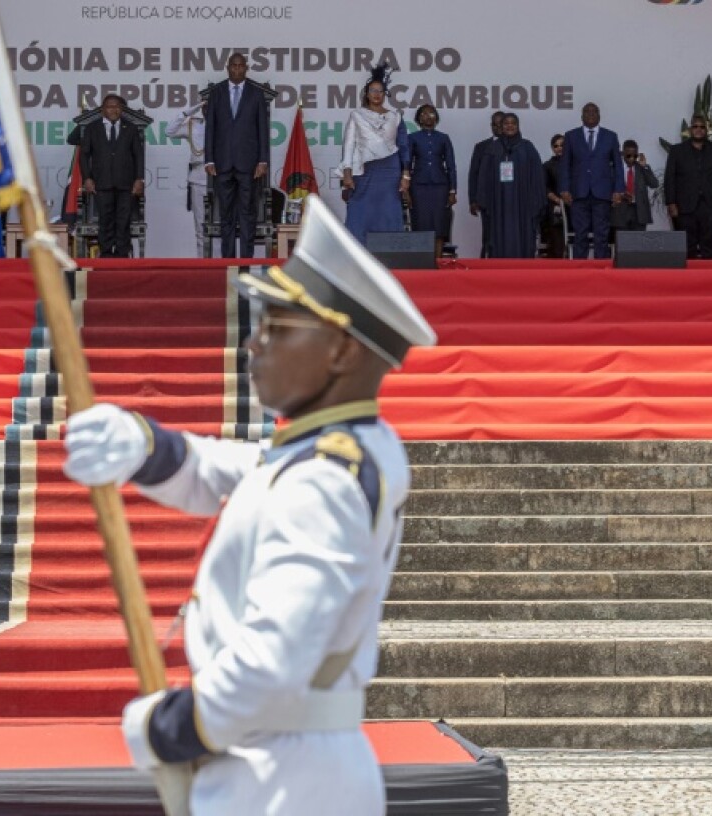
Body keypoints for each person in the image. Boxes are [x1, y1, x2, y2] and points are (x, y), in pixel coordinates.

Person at [63, 193, 435, 816]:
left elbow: (271, 662)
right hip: (283, 765)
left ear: (343, 352)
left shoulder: (324, 479)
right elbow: (231, 472)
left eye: (278, 328)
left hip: (280, 779)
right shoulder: (337, 449)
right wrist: (145, 444)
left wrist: (168, 727)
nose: (253, 345)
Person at [205, 53, 270, 259]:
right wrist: (209, 159)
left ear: (246, 68)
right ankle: (227, 260)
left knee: (247, 214)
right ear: (227, 67)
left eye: (241, 66)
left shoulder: (256, 94)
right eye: (233, 65)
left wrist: (263, 160)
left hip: (249, 164)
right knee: (226, 215)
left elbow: (263, 130)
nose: (237, 69)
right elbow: (211, 129)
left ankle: (246, 261)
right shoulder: (216, 93)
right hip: (222, 163)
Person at [339, 63, 410, 244]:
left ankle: (391, 254)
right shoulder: (357, 115)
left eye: (380, 91)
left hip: (390, 170)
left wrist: (406, 175)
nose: (377, 94)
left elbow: (403, 146)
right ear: (367, 93)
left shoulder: (396, 117)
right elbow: (349, 145)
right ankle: (357, 254)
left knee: (388, 212)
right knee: (360, 212)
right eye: (373, 90)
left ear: (385, 94)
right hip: (366, 170)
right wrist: (347, 172)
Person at [79, 94, 145, 258]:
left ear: (121, 109)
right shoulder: (92, 128)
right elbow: (84, 155)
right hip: (101, 182)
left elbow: (138, 155)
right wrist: (87, 178)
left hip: (126, 183)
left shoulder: (130, 128)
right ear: (103, 110)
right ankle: (107, 254)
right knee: (105, 221)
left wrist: (139, 179)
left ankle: (122, 255)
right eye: (110, 106)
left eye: (117, 106)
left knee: (123, 221)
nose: (114, 110)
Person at [473, 113, 545, 259]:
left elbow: (538, 176)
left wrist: (536, 200)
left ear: (518, 126)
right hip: (498, 204)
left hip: (522, 204)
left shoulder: (527, 147)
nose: (510, 126)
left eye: (513, 123)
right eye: (506, 123)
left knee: (523, 235)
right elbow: (483, 176)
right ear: (502, 127)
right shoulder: (492, 149)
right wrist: (482, 199)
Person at [558, 102, 625, 259]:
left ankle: (601, 270)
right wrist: (564, 189)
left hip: (602, 194)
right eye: (587, 112)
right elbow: (565, 164)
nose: (590, 115)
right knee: (580, 235)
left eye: (594, 112)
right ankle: (579, 271)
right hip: (578, 193)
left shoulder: (610, 136)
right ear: (581, 116)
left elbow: (618, 165)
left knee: (601, 236)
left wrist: (618, 190)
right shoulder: (571, 136)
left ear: (599, 116)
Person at [664, 114, 712, 260]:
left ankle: (711, 280)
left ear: (707, 130)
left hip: (710, 205)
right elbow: (669, 177)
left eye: (702, 127)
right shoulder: (677, 151)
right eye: (695, 126)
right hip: (684, 205)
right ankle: (689, 280)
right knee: (687, 246)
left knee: (708, 244)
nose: (699, 129)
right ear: (690, 129)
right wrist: (671, 203)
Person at [407, 104, 456, 260]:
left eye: (431, 113)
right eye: (424, 114)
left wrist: (452, 190)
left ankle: (438, 261)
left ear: (436, 117)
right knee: (421, 224)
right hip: (418, 187)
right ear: (418, 118)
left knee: (439, 225)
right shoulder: (412, 138)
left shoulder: (443, 138)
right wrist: (406, 191)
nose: (428, 116)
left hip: (440, 187)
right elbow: (406, 165)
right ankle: (423, 262)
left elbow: (451, 166)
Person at [166, 101, 208, 257]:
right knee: (200, 225)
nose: (207, 110)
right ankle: (203, 263)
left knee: (220, 225)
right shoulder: (193, 125)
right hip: (199, 176)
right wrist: (187, 112)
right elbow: (169, 131)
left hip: (221, 179)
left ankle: (220, 263)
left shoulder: (228, 124)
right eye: (204, 106)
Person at [468, 111, 505, 257]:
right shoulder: (481, 147)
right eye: (494, 125)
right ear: (491, 126)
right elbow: (474, 174)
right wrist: (473, 200)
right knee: (488, 236)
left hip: (509, 199)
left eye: (500, 124)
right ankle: (485, 265)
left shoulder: (518, 146)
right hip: (487, 199)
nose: (497, 128)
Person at [610, 139, 659, 237]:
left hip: (639, 211)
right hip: (621, 210)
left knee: (638, 243)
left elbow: (654, 184)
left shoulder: (641, 168)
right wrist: (621, 195)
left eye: (635, 156)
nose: (632, 159)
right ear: (623, 153)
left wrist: (645, 166)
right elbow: (607, 188)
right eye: (628, 156)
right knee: (622, 244)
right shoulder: (614, 168)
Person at [541, 134, 566, 258]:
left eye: (562, 145)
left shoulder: (576, 164)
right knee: (557, 243)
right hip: (556, 208)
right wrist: (558, 200)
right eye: (556, 146)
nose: (559, 148)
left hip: (575, 207)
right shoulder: (547, 166)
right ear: (552, 148)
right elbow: (544, 188)